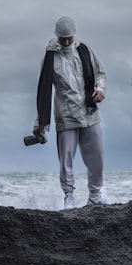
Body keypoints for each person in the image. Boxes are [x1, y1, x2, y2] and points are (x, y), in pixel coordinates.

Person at [32, 16, 109, 209]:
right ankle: (69, 197)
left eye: (69, 38)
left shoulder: (85, 50)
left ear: (74, 34)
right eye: (62, 38)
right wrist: (39, 121)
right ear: (57, 36)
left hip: (90, 112)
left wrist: (100, 89)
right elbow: (43, 90)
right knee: (66, 159)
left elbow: (100, 73)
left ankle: (95, 195)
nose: (66, 41)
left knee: (97, 156)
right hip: (65, 116)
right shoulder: (50, 58)